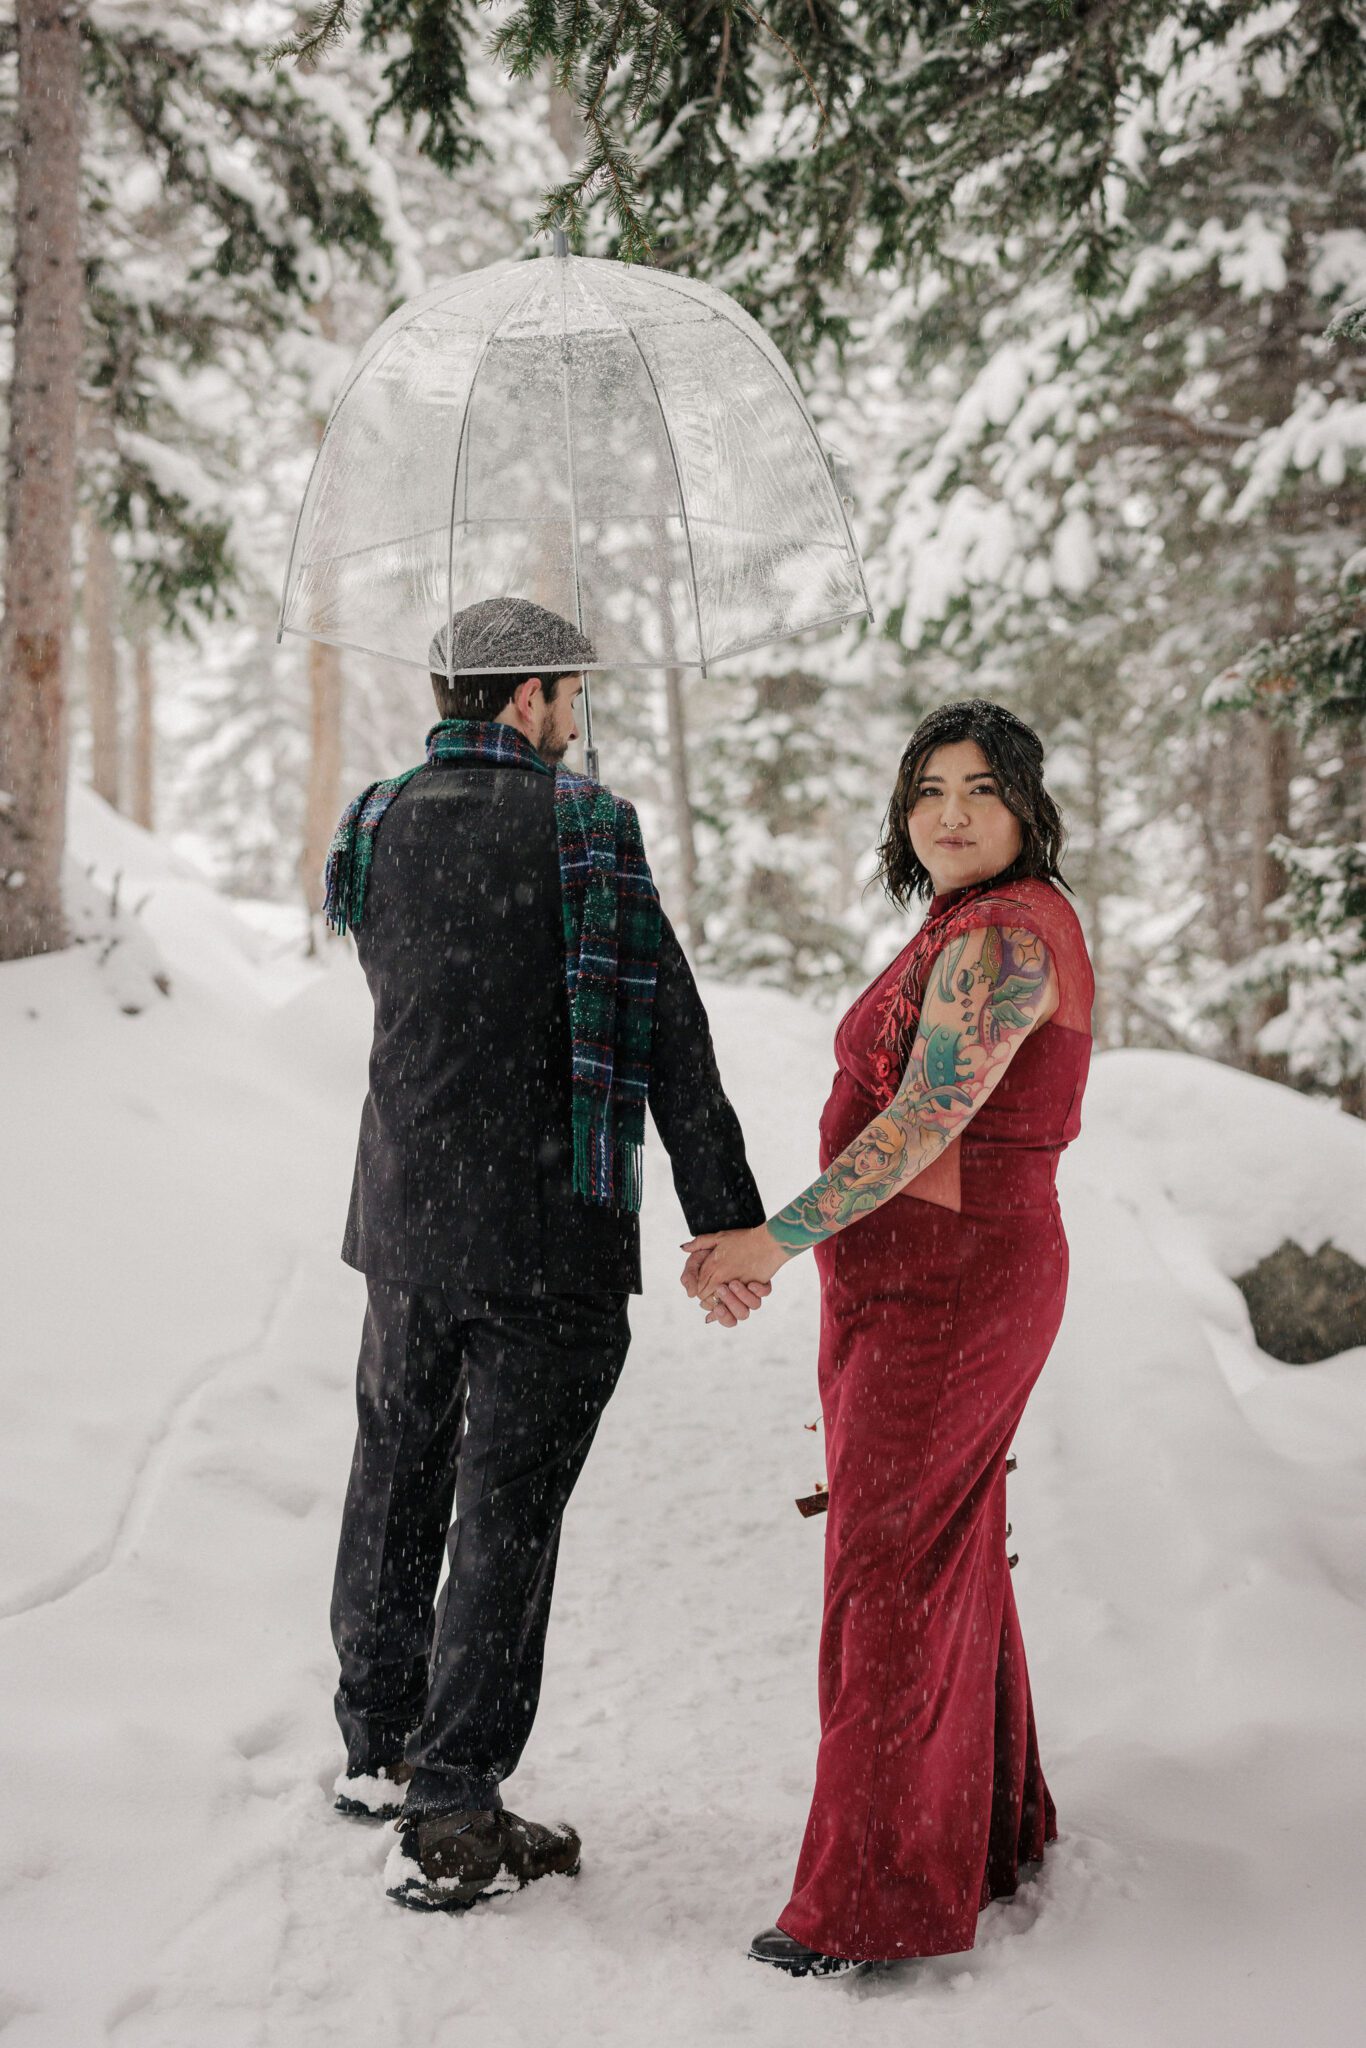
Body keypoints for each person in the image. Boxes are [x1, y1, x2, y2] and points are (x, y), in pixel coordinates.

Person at [324, 596, 768, 1911]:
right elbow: (664, 1037)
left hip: (405, 1219)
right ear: (528, 700)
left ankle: (380, 1748)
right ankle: (455, 1806)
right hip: (546, 1237)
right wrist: (724, 1213)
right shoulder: (588, 829)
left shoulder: (371, 819)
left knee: (397, 1475)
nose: (578, 715)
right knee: (505, 1512)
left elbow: (406, 983)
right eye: (568, 691)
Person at [684, 699, 1095, 1978]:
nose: (952, 812)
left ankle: (870, 1896)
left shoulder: (1007, 941)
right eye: (928, 790)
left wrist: (771, 1239)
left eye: (980, 788)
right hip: (910, 1284)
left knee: (888, 1575)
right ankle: (983, 1829)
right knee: (940, 1550)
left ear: (1026, 805)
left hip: (952, 1289)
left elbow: (925, 1120)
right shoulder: (967, 922)